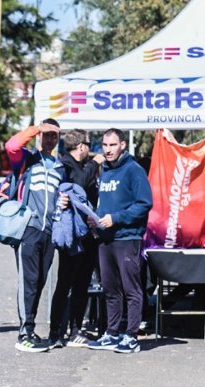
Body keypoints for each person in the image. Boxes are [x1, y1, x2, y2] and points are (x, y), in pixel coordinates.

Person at [87, 129, 153, 354]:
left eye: (112, 145)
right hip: (106, 239)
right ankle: (111, 332)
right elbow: (106, 203)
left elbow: (145, 204)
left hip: (128, 238)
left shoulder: (134, 170)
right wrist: (95, 217)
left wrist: (116, 218)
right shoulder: (104, 169)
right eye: (104, 145)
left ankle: (131, 336)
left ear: (123, 145)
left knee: (131, 289)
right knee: (110, 288)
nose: (107, 149)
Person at [1, 119, 65, 352]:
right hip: (28, 228)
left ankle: (31, 329)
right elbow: (11, 147)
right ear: (39, 136)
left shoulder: (59, 167)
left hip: (49, 231)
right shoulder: (27, 159)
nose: (50, 139)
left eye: (54, 136)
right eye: (46, 135)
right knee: (28, 281)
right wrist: (37, 128)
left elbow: (60, 197)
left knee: (39, 282)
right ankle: (24, 333)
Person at [51, 129, 102, 348]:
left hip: (88, 235)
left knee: (82, 284)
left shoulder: (82, 166)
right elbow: (79, 182)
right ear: (81, 146)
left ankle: (75, 329)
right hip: (71, 235)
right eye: (89, 146)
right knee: (65, 283)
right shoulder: (66, 165)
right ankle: (56, 331)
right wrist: (95, 164)